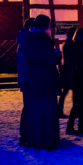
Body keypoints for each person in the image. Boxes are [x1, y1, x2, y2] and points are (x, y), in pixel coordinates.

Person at [23, 15, 61, 150]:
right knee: (47, 109)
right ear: (46, 26)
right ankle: (47, 140)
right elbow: (51, 60)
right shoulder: (44, 39)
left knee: (36, 109)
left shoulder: (28, 39)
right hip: (45, 78)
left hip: (33, 76)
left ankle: (35, 139)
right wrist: (57, 55)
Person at [67, 28, 83, 134]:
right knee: (82, 103)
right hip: (82, 77)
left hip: (77, 77)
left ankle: (72, 125)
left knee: (78, 103)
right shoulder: (82, 47)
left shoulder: (75, 46)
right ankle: (81, 127)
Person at [17, 18, 35, 145]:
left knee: (28, 107)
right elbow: (24, 63)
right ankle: (25, 136)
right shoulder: (25, 41)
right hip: (27, 79)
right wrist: (23, 79)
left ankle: (26, 135)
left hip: (26, 79)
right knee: (28, 108)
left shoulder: (24, 39)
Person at [57, 27, 77, 120]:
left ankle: (60, 110)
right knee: (73, 91)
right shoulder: (71, 44)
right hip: (70, 70)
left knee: (64, 92)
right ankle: (74, 110)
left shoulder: (66, 44)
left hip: (66, 70)